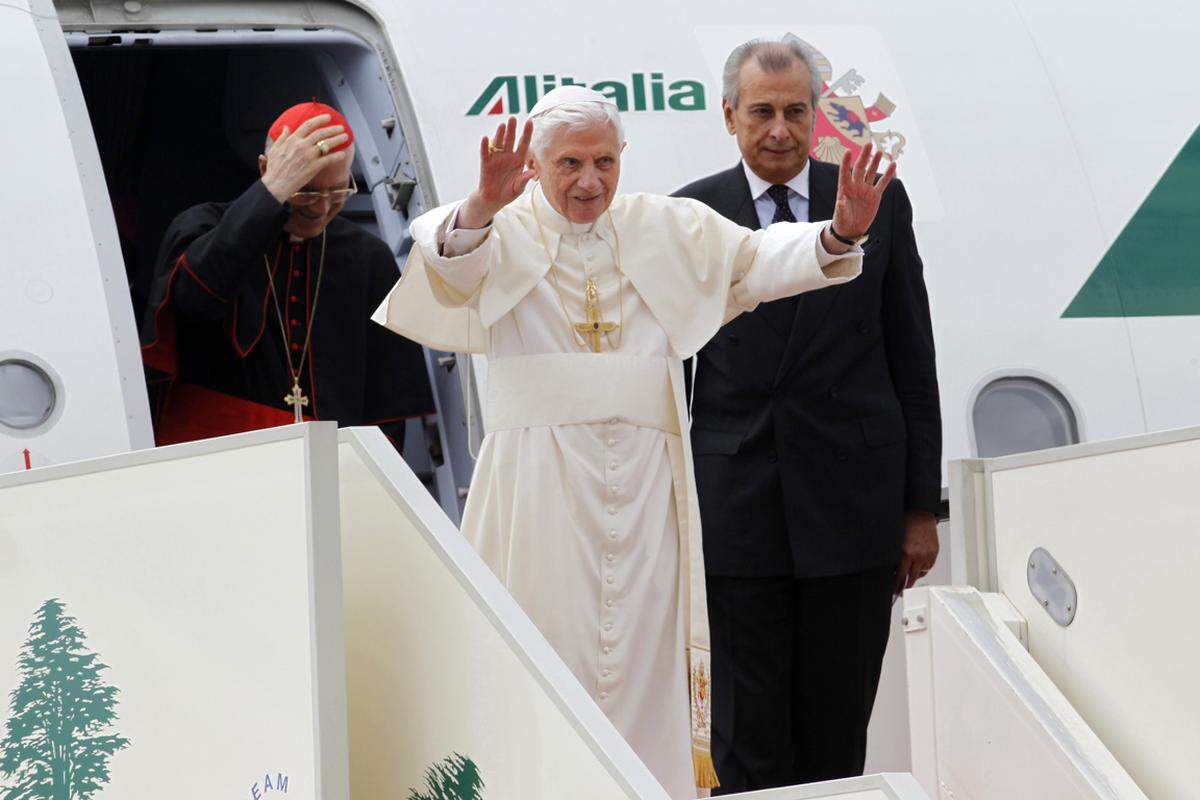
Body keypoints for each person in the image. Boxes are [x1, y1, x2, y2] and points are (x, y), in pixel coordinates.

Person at [373, 85, 894, 798]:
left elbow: (754, 263)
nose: (590, 182)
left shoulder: (664, 227)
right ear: (535, 162)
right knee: (539, 644)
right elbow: (446, 258)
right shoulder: (503, 225)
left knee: (647, 659)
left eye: (605, 162)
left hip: (649, 488)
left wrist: (838, 236)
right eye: (570, 165)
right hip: (539, 486)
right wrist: (485, 203)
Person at [672, 39, 942, 792]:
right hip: (735, 514)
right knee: (744, 743)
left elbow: (911, 356)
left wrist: (920, 508)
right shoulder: (689, 214)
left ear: (817, 114)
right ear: (730, 115)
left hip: (851, 513)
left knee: (834, 738)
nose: (780, 130)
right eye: (762, 112)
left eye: (795, 111)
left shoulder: (876, 201)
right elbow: (668, 374)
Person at [140, 101, 432, 448]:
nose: (322, 208)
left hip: (329, 462)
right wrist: (271, 195)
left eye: (339, 190)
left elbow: (388, 398)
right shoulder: (203, 227)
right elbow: (196, 301)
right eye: (306, 190)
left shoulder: (367, 257)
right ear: (266, 169)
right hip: (221, 454)